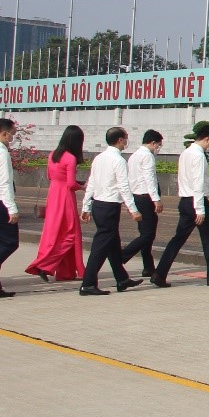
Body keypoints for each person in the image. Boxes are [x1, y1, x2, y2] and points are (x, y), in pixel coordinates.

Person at [154, 123, 209, 287]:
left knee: (178, 239)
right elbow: (198, 183)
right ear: (208, 139)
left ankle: (159, 273)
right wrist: (200, 209)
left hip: (185, 201)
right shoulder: (198, 155)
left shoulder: (186, 153)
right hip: (196, 201)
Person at [78, 127, 143, 295]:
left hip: (99, 204)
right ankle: (88, 284)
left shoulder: (99, 158)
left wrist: (86, 205)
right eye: (126, 138)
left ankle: (122, 279)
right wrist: (133, 209)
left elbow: (91, 182)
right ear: (120, 140)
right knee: (100, 247)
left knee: (112, 244)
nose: (127, 142)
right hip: (109, 206)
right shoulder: (119, 160)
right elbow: (123, 186)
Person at [27, 125, 86, 283]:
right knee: (71, 235)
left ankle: (65, 271)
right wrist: (83, 186)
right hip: (65, 198)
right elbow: (71, 184)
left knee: (56, 232)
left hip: (53, 195)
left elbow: (51, 176)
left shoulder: (53, 154)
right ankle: (44, 265)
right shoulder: (71, 158)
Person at [119, 129, 163, 279]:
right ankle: (122, 255)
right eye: (158, 145)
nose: (158, 148)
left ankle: (148, 267)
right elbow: (149, 179)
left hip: (136, 197)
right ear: (153, 143)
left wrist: (130, 202)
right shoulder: (147, 156)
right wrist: (156, 199)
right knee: (148, 234)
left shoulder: (133, 156)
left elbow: (130, 179)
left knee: (145, 234)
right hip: (146, 198)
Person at [0, 119, 21, 298]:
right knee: (10, 242)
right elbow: (5, 183)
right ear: (4, 134)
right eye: (12, 134)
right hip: (2, 202)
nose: (12, 138)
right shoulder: (2, 153)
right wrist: (11, 208)